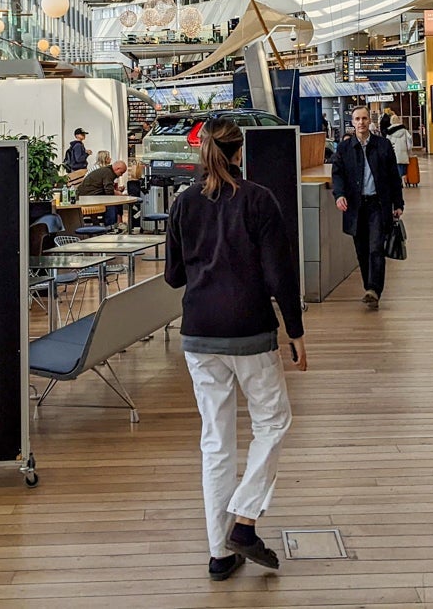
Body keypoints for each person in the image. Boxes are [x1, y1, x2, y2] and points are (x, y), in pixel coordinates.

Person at [164, 117, 305, 581]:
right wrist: (296, 332)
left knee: (216, 441)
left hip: (199, 334)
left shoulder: (183, 203)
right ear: (240, 151)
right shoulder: (260, 200)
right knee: (274, 420)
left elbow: (174, 277)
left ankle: (219, 552)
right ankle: (244, 521)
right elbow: (280, 275)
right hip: (250, 332)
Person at [330, 104, 404, 311]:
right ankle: (368, 287)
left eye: (364, 119)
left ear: (369, 121)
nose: (361, 123)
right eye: (357, 119)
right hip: (356, 207)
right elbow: (337, 174)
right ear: (352, 123)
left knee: (375, 248)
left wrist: (398, 203)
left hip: (377, 205)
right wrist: (340, 195)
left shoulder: (383, 145)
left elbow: (393, 176)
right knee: (362, 250)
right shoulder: (344, 148)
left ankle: (374, 289)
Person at [78, 159, 129, 227]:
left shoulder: (106, 170)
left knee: (114, 201)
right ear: (117, 169)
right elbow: (109, 192)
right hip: (88, 197)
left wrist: (116, 192)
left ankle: (112, 224)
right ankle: (111, 227)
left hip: (86, 195)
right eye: (121, 172)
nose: (121, 175)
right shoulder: (108, 173)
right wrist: (118, 193)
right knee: (111, 204)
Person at [386, 114, 414, 186]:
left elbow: (387, 142)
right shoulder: (404, 130)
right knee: (403, 166)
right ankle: (405, 179)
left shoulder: (389, 131)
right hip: (403, 151)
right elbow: (409, 139)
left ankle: (399, 181)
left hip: (394, 150)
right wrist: (409, 149)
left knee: (395, 166)